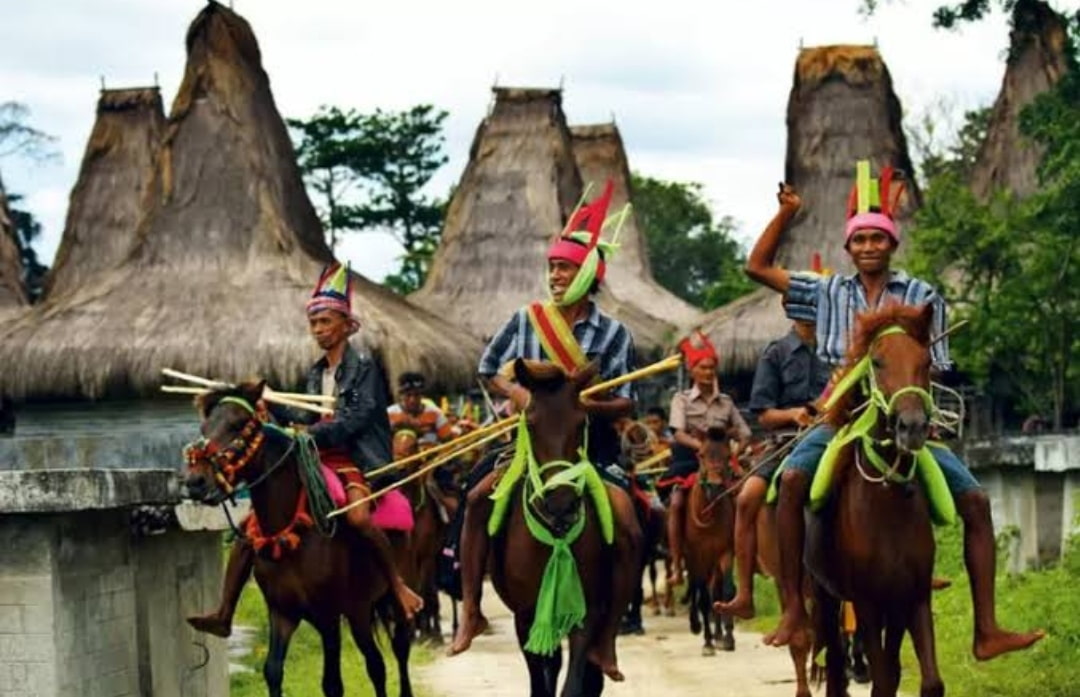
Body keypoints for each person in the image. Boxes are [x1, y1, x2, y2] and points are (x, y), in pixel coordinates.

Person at [744, 163, 1044, 660]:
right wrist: (786, 214)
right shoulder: (827, 291)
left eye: (876, 239)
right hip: (842, 415)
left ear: (892, 244)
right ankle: (794, 607)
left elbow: (938, 366)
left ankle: (987, 628)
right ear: (847, 247)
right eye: (858, 239)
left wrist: (905, 378)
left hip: (904, 415)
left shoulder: (922, 296)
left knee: (976, 503)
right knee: (793, 483)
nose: (867, 247)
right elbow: (756, 267)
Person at [448, 180, 643, 682]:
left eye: (565, 268)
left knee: (631, 520)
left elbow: (628, 400)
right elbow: (490, 368)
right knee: (475, 501)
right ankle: (471, 608)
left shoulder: (613, 333)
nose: (555, 276)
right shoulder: (526, 320)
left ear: (587, 276)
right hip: (529, 447)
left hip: (590, 449)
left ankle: (607, 635)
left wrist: (584, 405)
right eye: (553, 267)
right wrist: (525, 400)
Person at [187, 263, 423, 638]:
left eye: (326, 322)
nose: (318, 330)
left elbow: (356, 418)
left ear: (347, 324)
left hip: (356, 459)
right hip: (316, 457)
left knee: (360, 517)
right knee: (253, 527)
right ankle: (224, 613)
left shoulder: (364, 366)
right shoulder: (315, 373)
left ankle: (396, 587)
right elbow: (303, 413)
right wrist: (272, 407)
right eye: (314, 324)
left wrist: (311, 434)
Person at [660, 331, 751, 585]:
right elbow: (677, 433)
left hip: (722, 464)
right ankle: (677, 567)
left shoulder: (726, 403)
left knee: (747, 497)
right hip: (689, 463)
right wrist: (701, 446)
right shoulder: (681, 400)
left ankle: (749, 560)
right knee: (677, 503)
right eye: (703, 368)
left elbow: (745, 433)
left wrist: (734, 451)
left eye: (712, 368)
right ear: (692, 371)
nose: (708, 373)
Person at [388, 372, 458, 448]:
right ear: (401, 395)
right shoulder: (389, 414)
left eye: (416, 395)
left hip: (431, 456)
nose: (412, 400)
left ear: (422, 395)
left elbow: (448, 440)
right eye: (408, 395)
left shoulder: (435, 413)